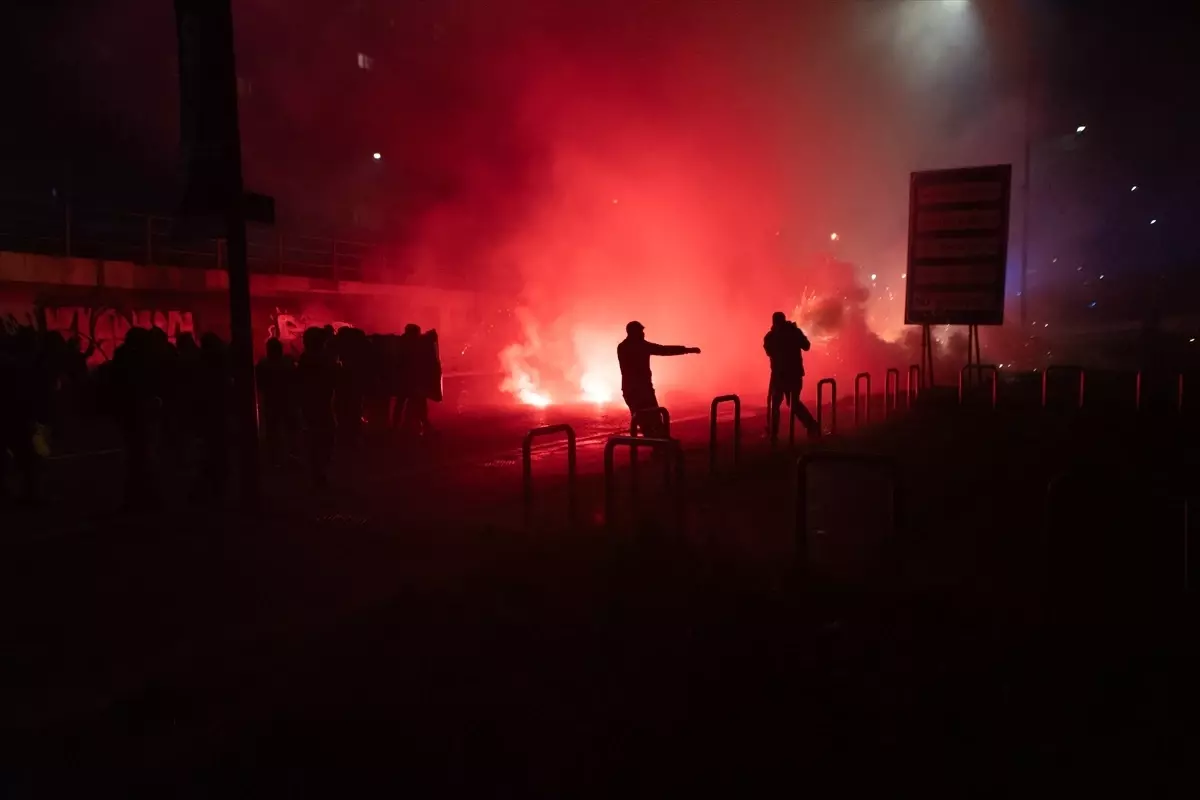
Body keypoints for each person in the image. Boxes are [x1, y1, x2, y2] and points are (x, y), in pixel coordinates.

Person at [616, 321, 700, 438]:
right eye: (641, 331)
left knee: (642, 420)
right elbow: (663, 350)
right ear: (634, 333)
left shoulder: (622, 347)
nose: (643, 334)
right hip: (643, 390)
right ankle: (661, 445)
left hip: (630, 391)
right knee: (654, 418)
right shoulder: (640, 346)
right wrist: (687, 350)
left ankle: (657, 445)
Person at [764, 311, 819, 442]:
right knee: (788, 404)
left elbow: (769, 351)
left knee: (779, 404)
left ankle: (773, 435)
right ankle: (811, 427)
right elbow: (806, 345)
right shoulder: (791, 333)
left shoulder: (771, 336)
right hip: (789, 375)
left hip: (782, 376)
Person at [297, 326, 338, 487]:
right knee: (324, 437)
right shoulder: (322, 359)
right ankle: (318, 472)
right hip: (321, 404)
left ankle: (316, 472)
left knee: (315, 438)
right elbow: (332, 380)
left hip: (310, 404)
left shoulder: (305, 358)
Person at [256, 336, 295, 467]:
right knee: (289, 428)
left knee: (272, 429)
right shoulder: (287, 363)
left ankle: (274, 457)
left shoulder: (263, 364)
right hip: (287, 400)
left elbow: (260, 384)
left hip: (271, 400)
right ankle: (290, 455)